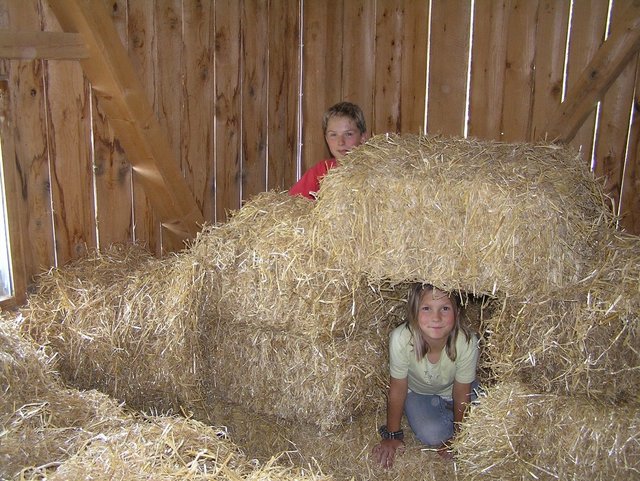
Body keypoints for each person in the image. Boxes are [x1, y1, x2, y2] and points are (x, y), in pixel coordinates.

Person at [372, 283, 479, 468]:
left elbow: (462, 391)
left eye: (445, 308)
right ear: (414, 312)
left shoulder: (467, 342)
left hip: (458, 389)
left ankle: (460, 421)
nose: (436, 318)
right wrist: (392, 434)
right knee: (432, 434)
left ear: (457, 313)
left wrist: (459, 436)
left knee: (491, 412)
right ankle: (451, 418)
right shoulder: (401, 338)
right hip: (420, 393)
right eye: (427, 308)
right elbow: (397, 388)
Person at [289, 101, 368, 199]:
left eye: (348, 134)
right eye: (333, 135)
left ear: (363, 137)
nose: (341, 142)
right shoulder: (320, 173)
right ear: (326, 139)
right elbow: (292, 203)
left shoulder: (373, 172)